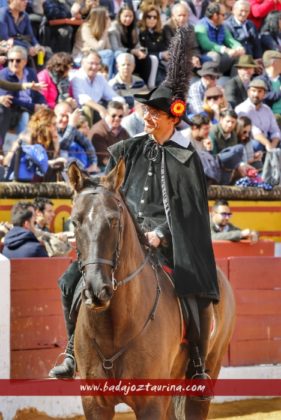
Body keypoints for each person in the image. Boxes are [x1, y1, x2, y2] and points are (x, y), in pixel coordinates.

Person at [49, 27, 219, 386]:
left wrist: (160, 234)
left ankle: (198, 362)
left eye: (155, 113)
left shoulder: (187, 159)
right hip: (123, 234)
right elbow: (107, 190)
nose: (146, 117)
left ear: (173, 117)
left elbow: (191, 213)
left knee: (196, 291)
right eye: (146, 111)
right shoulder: (127, 149)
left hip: (168, 241)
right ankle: (70, 352)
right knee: (68, 282)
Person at [0, 45, 46, 144]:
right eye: (11, 60)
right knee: (24, 115)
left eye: (17, 60)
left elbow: (37, 93)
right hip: (15, 111)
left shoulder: (31, 73)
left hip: (31, 107)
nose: (14, 63)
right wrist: (32, 106)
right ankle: (22, 150)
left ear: (25, 61)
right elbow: (10, 99)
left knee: (47, 114)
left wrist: (43, 104)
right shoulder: (4, 74)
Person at [70, 49, 122, 125]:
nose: (94, 67)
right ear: (82, 63)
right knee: (87, 108)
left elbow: (112, 96)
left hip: (98, 112)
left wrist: (123, 104)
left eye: (97, 64)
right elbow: (82, 98)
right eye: (91, 63)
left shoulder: (100, 77)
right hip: (81, 114)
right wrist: (100, 108)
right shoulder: (76, 77)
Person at [195, 2, 245, 74]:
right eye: (223, 15)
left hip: (219, 56)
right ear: (215, 15)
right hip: (204, 58)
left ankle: (234, 80)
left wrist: (238, 47)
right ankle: (211, 78)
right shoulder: (201, 26)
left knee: (237, 55)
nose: (224, 17)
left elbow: (229, 40)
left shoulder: (222, 26)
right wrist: (225, 49)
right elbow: (206, 44)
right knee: (215, 56)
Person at [235, 79, 281, 151]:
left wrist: (273, 145)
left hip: (267, 141)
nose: (256, 94)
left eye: (259, 91)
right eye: (253, 91)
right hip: (250, 141)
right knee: (257, 144)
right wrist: (267, 144)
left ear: (264, 94)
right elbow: (253, 132)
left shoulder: (267, 110)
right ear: (248, 92)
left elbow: (275, 129)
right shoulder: (241, 109)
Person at [72, 7, 115, 78]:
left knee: (116, 55)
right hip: (81, 58)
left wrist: (105, 31)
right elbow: (98, 48)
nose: (109, 19)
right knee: (108, 53)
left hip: (96, 56)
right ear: (100, 18)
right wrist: (105, 31)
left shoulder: (101, 28)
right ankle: (107, 81)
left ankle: (116, 83)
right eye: (107, 17)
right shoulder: (85, 28)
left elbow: (108, 48)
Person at [89, 100, 129, 168]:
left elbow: (130, 149)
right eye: (113, 115)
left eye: (120, 116)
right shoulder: (98, 132)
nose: (117, 118)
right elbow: (105, 160)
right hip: (105, 169)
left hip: (121, 165)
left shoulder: (122, 130)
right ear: (107, 113)